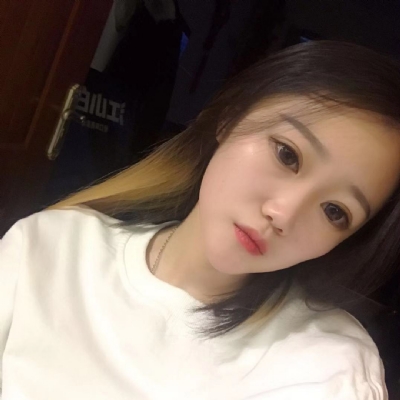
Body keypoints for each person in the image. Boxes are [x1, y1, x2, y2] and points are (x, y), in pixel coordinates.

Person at [1, 41, 400, 400]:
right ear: (229, 117)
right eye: (287, 155)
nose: (282, 214)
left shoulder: (328, 368)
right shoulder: (50, 249)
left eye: (335, 212)